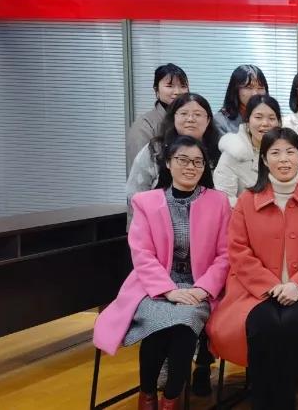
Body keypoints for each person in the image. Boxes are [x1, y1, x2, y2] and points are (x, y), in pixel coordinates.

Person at [95, 136, 230, 410]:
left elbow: (225, 255)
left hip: (197, 287)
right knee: (156, 325)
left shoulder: (218, 202)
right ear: (168, 163)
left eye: (198, 162)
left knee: (184, 324)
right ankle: (147, 395)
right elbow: (142, 254)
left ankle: (170, 398)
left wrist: (202, 289)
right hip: (154, 286)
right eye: (183, 160)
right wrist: (168, 290)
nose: (190, 167)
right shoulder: (146, 202)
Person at [206, 128, 298, 410]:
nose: (283, 159)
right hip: (254, 293)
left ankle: (282, 402)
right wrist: (271, 286)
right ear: (264, 159)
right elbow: (238, 250)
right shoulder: (247, 201)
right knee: (264, 324)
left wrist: (297, 284)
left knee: (294, 324)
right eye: (275, 152)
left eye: (290, 152)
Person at [127, 93, 221, 201]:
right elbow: (134, 193)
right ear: (173, 118)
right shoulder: (156, 149)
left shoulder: (219, 151)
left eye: (198, 114)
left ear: (208, 120)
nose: (190, 119)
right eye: (184, 113)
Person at [213, 94, 281, 206]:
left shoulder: (287, 151)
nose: (265, 123)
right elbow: (224, 199)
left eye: (272, 118)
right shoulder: (233, 151)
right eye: (258, 117)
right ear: (247, 122)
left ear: (279, 123)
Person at [127, 63, 188, 169]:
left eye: (183, 86)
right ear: (156, 90)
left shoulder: (190, 121)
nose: (177, 92)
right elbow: (140, 169)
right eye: (169, 86)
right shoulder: (144, 125)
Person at [215, 64, 269, 135]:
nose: (255, 93)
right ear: (235, 90)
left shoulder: (272, 118)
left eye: (260, 88)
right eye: (249, 88)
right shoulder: (221, 121)